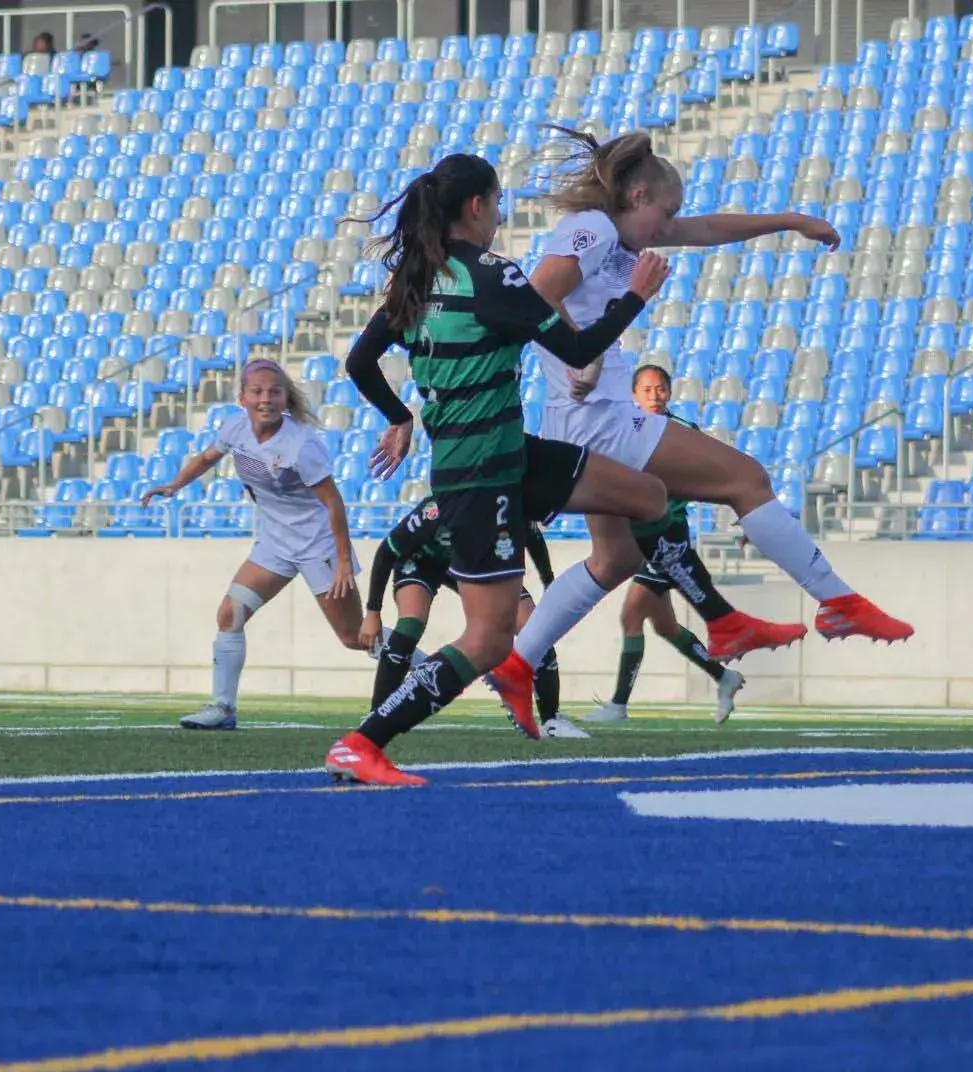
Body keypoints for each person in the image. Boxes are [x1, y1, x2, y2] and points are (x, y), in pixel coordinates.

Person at [485, 127, 915, 734]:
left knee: (616, 558)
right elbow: (533, 295)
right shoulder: (600, 229)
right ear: (636, 196)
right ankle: (838, 603)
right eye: (666, 211)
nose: (671, 225)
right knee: (746, 480)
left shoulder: (624, 234)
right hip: (600, 419)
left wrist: (792, 221)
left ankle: (518, 662)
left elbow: (710, 229)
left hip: (581, 422)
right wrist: (575, 359)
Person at [326, 152, 673, 786]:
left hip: (504, 455)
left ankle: (719, 617)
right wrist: (635, 297)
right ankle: (363, 741)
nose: (501, 216)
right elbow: (576, 347)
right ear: (478, 206)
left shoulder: (415, 277)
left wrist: (398, 414)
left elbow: (359, 363)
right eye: (498, 203)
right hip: (483, 476)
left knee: (648, 496)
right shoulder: (491, 276)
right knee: (486, 641)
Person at [142, 359, 365, 730]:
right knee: (230, 613)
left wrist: (342, 561)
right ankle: (223, 709)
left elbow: (333, 502)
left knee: (356, 637)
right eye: (257, 392)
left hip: (317, 546)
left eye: (274, 392)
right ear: (242, 397)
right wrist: (174, 485)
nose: (266, 399)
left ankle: (433, 671)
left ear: (284, 398)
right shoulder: (235, 428)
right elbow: (205, 459)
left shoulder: (301, 445)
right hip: (275, 544)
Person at [584, 365, 802, 725]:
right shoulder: (624, 433)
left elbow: (720, 471)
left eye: (660, 389)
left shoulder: (682, 431)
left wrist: (745, 509)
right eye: (647, 390)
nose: (654, 396)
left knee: (632, 616)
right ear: (634, 396)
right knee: (664, 626)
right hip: (641, 538)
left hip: (667, 537)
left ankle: (619, 706)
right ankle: (724, 677)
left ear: (669, 393)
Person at [359, 487, 585, 739]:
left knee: (535, 625)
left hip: (472, 563)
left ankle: (551, 719)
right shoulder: (434, 511)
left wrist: (549, 582)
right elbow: (387, 551)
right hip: (424, 560)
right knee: (410, 625)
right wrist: (373, 612)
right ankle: (375, 716)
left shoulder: (506, 507)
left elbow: (533, 538)